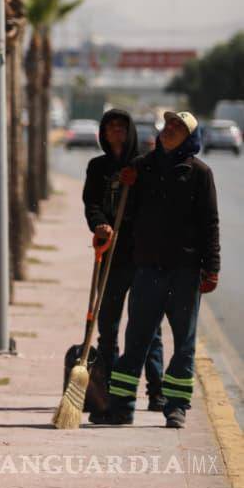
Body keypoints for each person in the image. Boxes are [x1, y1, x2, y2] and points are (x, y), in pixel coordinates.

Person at [94, 110, 220, 429]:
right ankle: (121, 406)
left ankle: (175, 406)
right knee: (137, 338)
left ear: (190, 138)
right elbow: (125, 213)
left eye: (179, 127)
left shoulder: (200, 173)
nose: (170, 129)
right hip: (147, 267)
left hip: (185, 270)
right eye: (169, 124)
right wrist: (124, 188)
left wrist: (212, 268)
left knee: (184, 342)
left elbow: (210, 224)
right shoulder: (141, 167)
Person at [82, 108, 164, 414]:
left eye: (121, 127)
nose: (116, 132)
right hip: (111, 256)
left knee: (149, 329)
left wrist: (140, 181)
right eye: (110, 128)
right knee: (108, 326)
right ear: (103, 133)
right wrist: (100, 225)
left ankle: (157, 393)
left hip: (142, 257)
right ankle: (111, 392)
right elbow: (91, 203)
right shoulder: (98, 167)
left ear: (130, 132)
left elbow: (156, 205)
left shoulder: (144, 165)